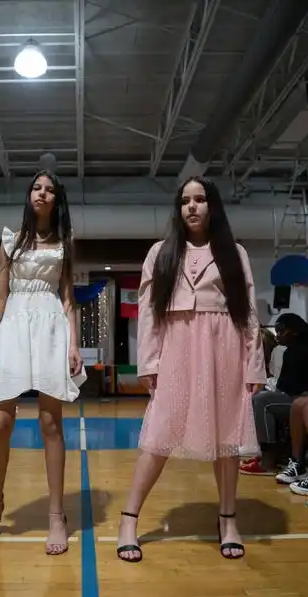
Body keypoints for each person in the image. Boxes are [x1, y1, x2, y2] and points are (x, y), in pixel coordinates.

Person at [116, 176, 266, 563]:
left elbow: (248, 312)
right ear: (178, 208)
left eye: (200, 199)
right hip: (178, 346)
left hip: (224, 348)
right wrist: (149, 362)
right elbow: (149, 312)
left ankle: (228, 519)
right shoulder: (160, 253)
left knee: (227, 437)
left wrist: (253, 366)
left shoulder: (235, 253)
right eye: (186, 201)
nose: (193, 207)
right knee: (159, 434)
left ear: (212, 206)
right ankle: (129, 520)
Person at [0, 170, 84, 552]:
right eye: (37, 187)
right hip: (14, 327)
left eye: (50, 189)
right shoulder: (11, 240)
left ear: (57, 199)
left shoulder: (65, 243)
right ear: (29, 195)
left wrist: (74, 344)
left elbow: (68, 298)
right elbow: (0, 295)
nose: (42, 193)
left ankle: (57, 515)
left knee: (51, 422)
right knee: (0, 422)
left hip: (51, 325)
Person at [242, 314, 308, 477]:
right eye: (276, 331)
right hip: (302, 397)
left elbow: (288, 386)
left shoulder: (299, 352)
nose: (278, 335)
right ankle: (270, 455)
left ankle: (268, 459)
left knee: (262, 401)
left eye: (281, 330)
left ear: (294, 332)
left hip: (307, 398)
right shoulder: (305, 350)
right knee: (260, 397)